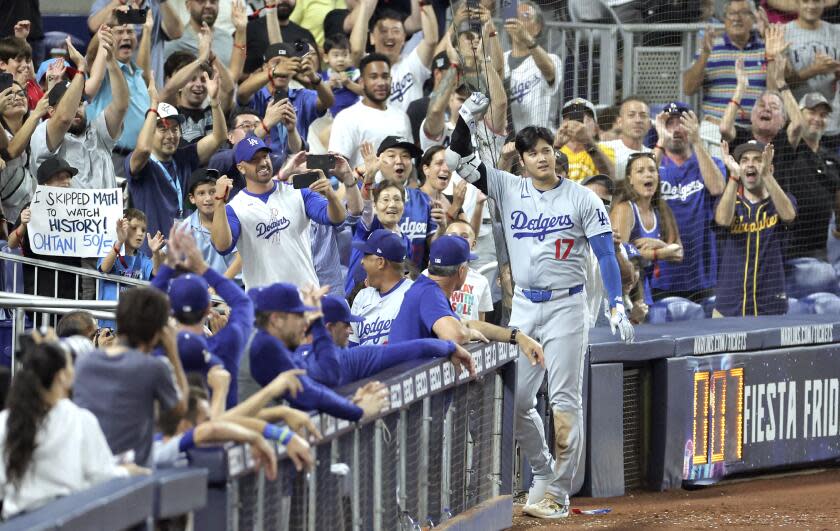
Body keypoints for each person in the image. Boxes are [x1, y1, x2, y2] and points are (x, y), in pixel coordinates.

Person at [444, 92, 633, 519]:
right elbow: (458, 161)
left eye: (547, 150)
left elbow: (604, 253)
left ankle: (559, 492)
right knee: (516, 398)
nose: (543, 157)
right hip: (526, 309)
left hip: (568, 308)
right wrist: (463, 118)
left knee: (565, 401)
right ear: (523, 161)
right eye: (534, 153)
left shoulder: (582, 198)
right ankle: (545, 473)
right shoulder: (507, 186)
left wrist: (617, 304)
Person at [0, 342, 147, 519]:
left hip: (15, 522)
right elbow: (101, 476)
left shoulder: (5, 420)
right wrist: (126, 471)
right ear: (62, 376)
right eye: (71, 364)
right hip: (66, 520)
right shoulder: (79, 420)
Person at [73, 287, 189, 467]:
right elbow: (180, 412)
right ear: (159, 331)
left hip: (87, 472)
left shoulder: (84, 362)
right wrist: (173, 350)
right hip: (134, 482)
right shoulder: (154, 368)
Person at [210, 135, 346, 289]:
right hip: (264, 304)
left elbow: (337, 218)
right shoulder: (235, 208)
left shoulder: (297, 192)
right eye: (254, 159)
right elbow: (222, 246)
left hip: (304, 298)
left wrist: (331, 195)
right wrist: (219, 202)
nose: (263, 162)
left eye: (265, 156)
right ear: (241, 167)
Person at [245, 282, 389, 421]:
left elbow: (328, 375)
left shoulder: (271, 343)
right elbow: (310, 394)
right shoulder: (264, 347)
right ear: (276, 320)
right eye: (299, 315)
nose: (305, 321)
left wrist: (317, 321)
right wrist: (358, 411)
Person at [152, 226, 254, 408]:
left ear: (171, 309)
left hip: (169, 433)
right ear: (208, 307)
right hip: (222, 432)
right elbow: (243, 303)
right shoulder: (227, 342)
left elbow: (144, 306)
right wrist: (203, 268)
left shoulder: (159, 346)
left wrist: (169, 265)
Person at [126, 81, 227, 249]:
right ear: (149, 131)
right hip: (152, 259)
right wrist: (153, 105)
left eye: (175, 129)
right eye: (162, 129)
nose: (171, 135)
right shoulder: (140, 162)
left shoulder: (185, 157)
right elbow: (143, 148)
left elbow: (219, 137)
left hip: (185, 254)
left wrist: (215, 102)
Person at [297, 294, 476, 386]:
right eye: (345, 324)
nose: (350, 330)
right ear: (328, 328)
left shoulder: (284, 356)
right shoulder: (345, 360)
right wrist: (450, 347)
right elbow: (415, 348)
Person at [29, 38, 126, 190]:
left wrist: (112, 61)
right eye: (70, 103)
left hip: (106, 213)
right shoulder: (42, 134)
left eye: (79, 103)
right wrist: (81, 67)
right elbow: (63, 118)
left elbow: (121, 106)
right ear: (51, 111)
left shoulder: (99, 134)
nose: (76, 108)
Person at [652, 102, 725, 302]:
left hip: (702, 273)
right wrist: (660, 141)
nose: (676, 129)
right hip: (661, 275)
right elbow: (639, 186)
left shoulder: (710, 163)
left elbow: (718, 188)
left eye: (682, 123)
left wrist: (697, 142)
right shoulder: (654, 164)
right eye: (670, 124)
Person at [715, 140, 797, 316]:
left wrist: (767, 176)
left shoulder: (782, 200)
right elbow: (723, 220)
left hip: (771, 303)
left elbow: (789, 215)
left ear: (770, 167)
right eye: (744, 160)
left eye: (758, 159)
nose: (750, 164)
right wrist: (734, 177)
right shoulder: (728, 201)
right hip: (729, 304)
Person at [610, 154, 683, 308]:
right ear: (630, 179)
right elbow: (619, 257)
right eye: (640, 171)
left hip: (648, 291)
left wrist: (656, 244)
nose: (648, 174)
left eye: (652, 170)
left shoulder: (661, 209)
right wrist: (662, 252)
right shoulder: (624, 209)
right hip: (626, 294)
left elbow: (678, 252)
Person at [683, 0, 768, 127]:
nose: (737, 18)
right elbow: (688, 89)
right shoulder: (710, 47)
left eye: (743, 13)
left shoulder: (765, 47)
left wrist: (768, 38)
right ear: (724, 19)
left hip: (755, 129)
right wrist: (705, 55)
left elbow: (785, 79)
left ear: (753, 18)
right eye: (731, 13)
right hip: (715, 128)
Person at [7, 156, 82, 299]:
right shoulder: (31, 208)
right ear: (45, 183)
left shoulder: (80, 211)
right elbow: (11, 243)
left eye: (68, 177)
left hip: (70, 287)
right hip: (39, 287)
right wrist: (23, 225)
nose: (67, 182)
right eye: (60, 177)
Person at [777, 93, 840, 260]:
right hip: (791, 246)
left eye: (823, 115)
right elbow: (795, 127)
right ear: (798, 114)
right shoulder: (789, 147)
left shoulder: (832, 157)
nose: (817, 119)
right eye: (812, 112)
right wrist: (782, 85)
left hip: (823, 247)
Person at [349, 1, 438, 113]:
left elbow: (431, 40)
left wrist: (425, 3)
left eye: (396, 31)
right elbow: (356, 50)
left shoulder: (412, 63)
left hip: (410, 129)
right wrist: (364, 6)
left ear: (404, 37)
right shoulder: (367, 64)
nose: (390, 36)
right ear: (371, 37)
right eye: (383, 31)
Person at [328, 54, 412, 168]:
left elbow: (410, 161)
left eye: (385, 76)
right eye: (374, 77)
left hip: (401, 186)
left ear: (391, 80)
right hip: (361, 185)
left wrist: (412, 182)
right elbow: (337, 166)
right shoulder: (346, 118)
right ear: (361, 82)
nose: (381, 83)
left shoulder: (402, 117)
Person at [373, 136, 440, 269]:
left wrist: (442, 228)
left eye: (405, 156)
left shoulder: (424, 200)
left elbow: (434, 247)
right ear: (378, 160)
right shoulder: (367, 194)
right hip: (374, 281)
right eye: (391, 155)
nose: (399, 161)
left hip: (412, 281)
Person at [207, 106, 292, 198]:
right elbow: (237, 153)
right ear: (230, 136)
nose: (252, 130)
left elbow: (291, 157)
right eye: (246, 126)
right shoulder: (221, 158)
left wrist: (292, 130)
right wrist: (265, 125)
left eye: (257, 126)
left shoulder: (269, 160)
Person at [503, 1, 563, 132]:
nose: (518, 22)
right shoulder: (500, 60)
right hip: (508, 145)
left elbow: (548, 70)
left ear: (537, 27)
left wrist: (527, 38)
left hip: (541, 140)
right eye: (515, 17)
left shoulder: (551, 59)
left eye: (525, 17)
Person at [348, 229, 414, 346]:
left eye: (366, 256)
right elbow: (352, 348)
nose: (362, 262)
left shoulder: (413, 294)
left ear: (380, 262)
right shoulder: (362, 296)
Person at [345, 183, 412, 295]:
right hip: (355, 298)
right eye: (385, 199)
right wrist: (369, 179)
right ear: (375, 205)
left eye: (397, 199)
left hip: (388, 303)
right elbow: (366, 209)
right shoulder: (369, 226)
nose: (392, 204)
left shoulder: (406, 242)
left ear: (404, 205)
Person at [0, 81, 46, 226]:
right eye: (9, 95)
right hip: (5, 225)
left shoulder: (38, 131)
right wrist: (36, 114)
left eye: (21, 94)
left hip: (34, 220)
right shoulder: (4, 136)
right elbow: (10, 151)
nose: (18, 98)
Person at [97, 208, 166, 305]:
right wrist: (120, 241)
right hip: (109, 316)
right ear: (124, 228)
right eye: (134, 228)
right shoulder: (110, 252)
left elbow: (156, 275)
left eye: (143, 230)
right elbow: (104, 268)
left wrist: (155, 253)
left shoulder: (143, 259)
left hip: (132, 316)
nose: (140, 233)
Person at [181, 168, 241, 278]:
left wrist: (218, 285)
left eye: (213, 192)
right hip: (203, 290)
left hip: (235, 287)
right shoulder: (184, 227)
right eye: (201, 193)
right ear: (192, 198)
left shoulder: (233, 216)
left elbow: (242, 257)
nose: (208, 198)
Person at [429, 222, 493, 322]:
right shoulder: (429, 274)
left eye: (464, 236)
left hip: (469, 335)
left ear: (473, 244)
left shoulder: (481, 281)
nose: (457, 240)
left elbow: (481, 320)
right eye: (453, 236)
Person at [784, 0, 840, 103]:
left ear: (824, 3)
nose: (811, 6)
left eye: (816, 1)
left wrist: (836, 70)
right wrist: (814, 70)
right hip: (796, 111)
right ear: (797, 3)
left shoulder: (837, 32)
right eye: (805, 1)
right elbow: (783, 82)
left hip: (833, 112)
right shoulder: (782, 33)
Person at [243, 0, 317, 75]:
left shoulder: (305, 34)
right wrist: (258, 76)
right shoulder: (249, 29)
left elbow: (314, 75)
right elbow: (235, 75)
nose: (284, 0)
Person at [557, 98, 615, 182]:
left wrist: (587, 141)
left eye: (583, 118)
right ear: (562, 125)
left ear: (596, 128)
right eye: (569, 118)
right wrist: (556, 147)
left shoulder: (605, 150)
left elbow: (610, 177)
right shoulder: (554, 151)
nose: (576, 122)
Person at [164, 0, 234, 68]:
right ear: (188, 5)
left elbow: (234, 77)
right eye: (201, 1)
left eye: (213, 1)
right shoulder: (176, 41)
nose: (208, 5)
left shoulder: (227, 39)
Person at [598, 96, 652, 180]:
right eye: (631, 115)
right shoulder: (602, 149)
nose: (638, 120)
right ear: (620, 122)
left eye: (643, 116)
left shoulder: (653, 155)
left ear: (649, 124)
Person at [321, 33, 363, 117]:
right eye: (336, 55)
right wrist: (329, 86)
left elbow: (365, 92)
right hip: (333, 118)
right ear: (326, 58)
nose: (340, 59)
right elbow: (318, 98)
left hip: (355, 114)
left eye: (345, 55)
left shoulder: (355, 73)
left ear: (350, 57)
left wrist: (349, 83)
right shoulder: (322, 77)